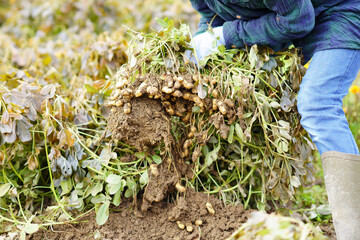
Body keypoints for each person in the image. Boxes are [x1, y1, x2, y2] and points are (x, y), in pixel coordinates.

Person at [188, 1, 360, 239]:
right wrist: (204, 41)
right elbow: (211, 13)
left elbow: (297, 20)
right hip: (295, 12)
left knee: (318, 104)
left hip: (338, 10)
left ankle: (353, 231)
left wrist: (226, 35)